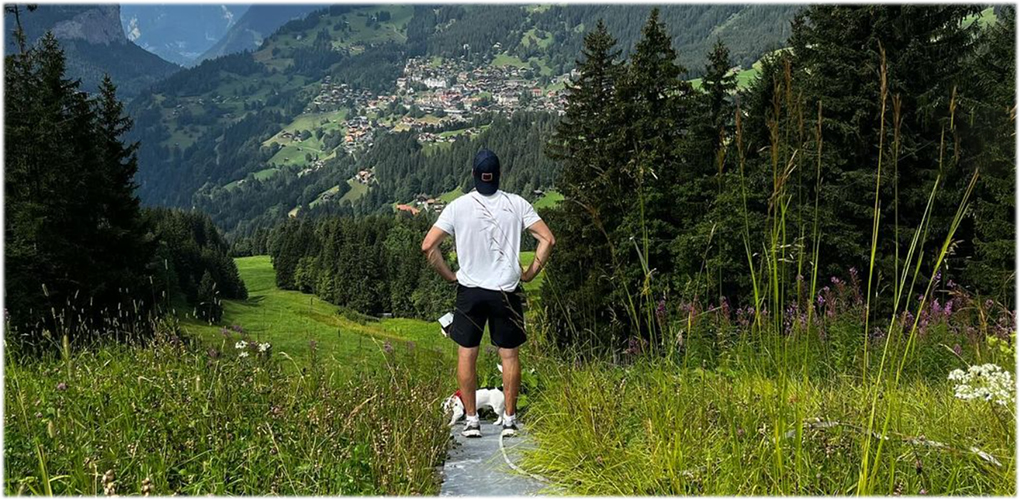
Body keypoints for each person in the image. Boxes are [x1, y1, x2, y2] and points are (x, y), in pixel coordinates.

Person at [421, 149, 555, 438]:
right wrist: (530, 273)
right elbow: (548, 239)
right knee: (509, 356)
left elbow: (428, 246)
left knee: (466, 355)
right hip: (506, 290)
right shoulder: (517, 204)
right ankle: (509, 419)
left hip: (470, 291)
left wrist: (449, 275)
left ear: (472, 175)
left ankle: (471, 421)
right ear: (498, 175)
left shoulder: (458, 206)